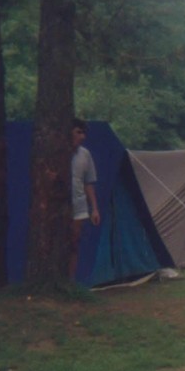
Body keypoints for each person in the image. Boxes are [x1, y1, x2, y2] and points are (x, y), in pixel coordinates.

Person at [69, 118, 100, 279]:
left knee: (74, 243)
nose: (82, 136)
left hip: (79, 206)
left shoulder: (85, 154)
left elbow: (89, 182)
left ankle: (70, 281)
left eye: (83, 133)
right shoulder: (56, 152)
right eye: (78, 132)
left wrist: (94, 208)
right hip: (58, 205)